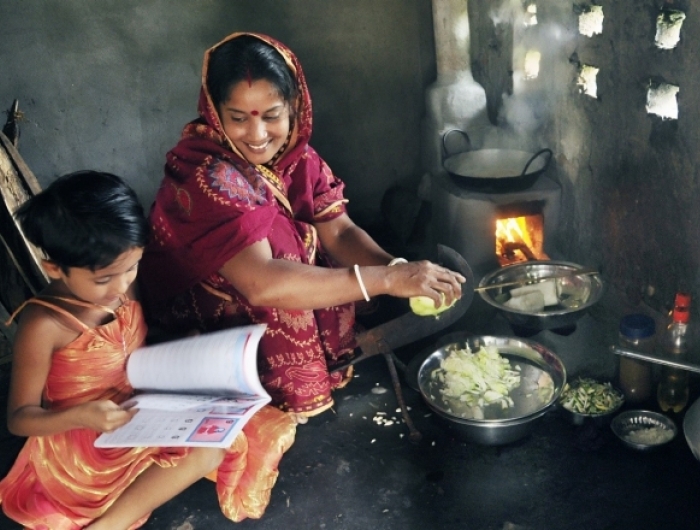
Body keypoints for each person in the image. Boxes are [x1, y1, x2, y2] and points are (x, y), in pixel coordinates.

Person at [140, 32, 465, 422]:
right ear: (214, 112)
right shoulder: (208, 176)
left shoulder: (297, 156)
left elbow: (340, 231)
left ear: (294, 105)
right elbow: (263, 283)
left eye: (272, 116)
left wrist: (399, 270)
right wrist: (386, 281)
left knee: (305, 238)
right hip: (205, 325)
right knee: (282, 244)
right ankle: (272, 389)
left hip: (260, 293)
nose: (258, 137)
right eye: (238, 119)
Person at [0, 171, 295, 529]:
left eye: (131, 268)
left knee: (223, 437)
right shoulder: (43, 324)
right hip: (82, 439)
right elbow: (20, 419)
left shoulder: (124, 284)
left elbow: (133, 339)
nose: (121, 285)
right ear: (54, 269)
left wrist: (186, 352)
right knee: (206, 450)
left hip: (139, 409)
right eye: (104, 279)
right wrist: (83, 416)